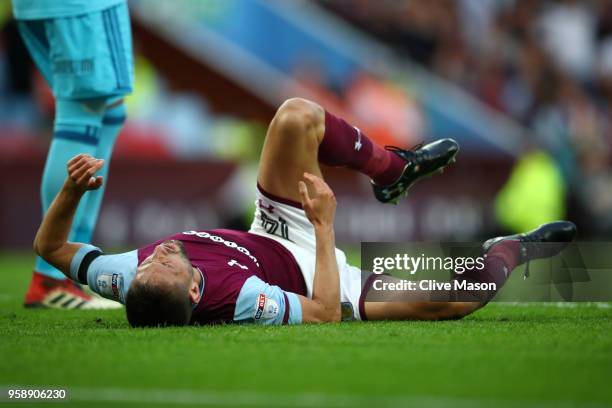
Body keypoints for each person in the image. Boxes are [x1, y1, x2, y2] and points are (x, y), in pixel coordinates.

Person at [33, 98, 577, 326]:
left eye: (147, 264)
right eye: (167, 266)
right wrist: (324, 225)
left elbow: (51, 248)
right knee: (456, 297)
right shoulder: (241, 299)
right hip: (320, 276)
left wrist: (71, 193)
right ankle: (515, 248)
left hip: (270, 226)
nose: (159, 254)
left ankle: (393, 171)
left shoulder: (127, 278)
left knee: (294, 116)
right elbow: (323, 314)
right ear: (195, 293)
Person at [11, 0, 134, 308]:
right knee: (82, 108)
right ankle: (51, 275)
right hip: (77, 6)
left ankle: (72, 267)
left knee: (109, 111)